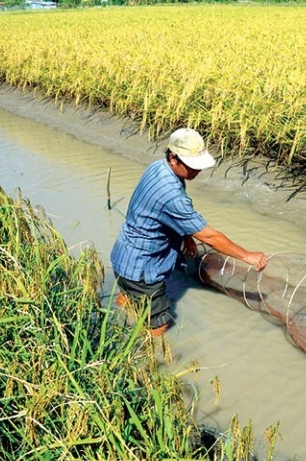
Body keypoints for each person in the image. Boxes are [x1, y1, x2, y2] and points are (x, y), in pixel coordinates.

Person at [110, 128, 268, 336]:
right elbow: (210, 237)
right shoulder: (171, 194)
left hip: (124, 257)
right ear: (174, 157)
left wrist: (187, 236)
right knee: (159, 324)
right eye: (192, 166)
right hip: (142, 269)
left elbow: (168, 215)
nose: (197, 171)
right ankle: (146, 355)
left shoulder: (158, 168)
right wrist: (247, 256)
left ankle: (115, 323)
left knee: (128, 297)